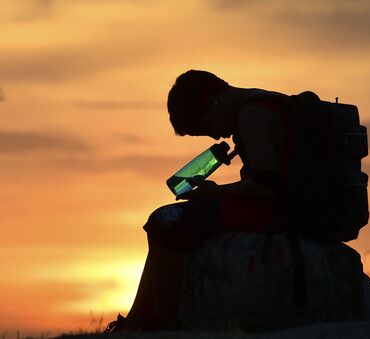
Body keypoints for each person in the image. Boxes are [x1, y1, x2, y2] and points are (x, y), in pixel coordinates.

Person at [105, 70, 290, 332]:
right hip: (288, 206)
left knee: (164, 221)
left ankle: (159, 325)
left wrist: (214, 192)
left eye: (206, 127)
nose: (215, 136)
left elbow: (265, 187)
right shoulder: (262, 104)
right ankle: (139, 321)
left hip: (285, 212)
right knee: (165, 227)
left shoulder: (253, 116)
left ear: (216, 103)